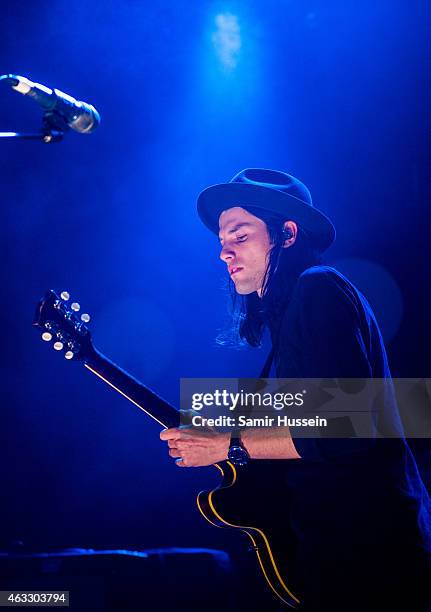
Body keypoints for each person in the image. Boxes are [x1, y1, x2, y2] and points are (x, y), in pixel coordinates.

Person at [160, 168, 431, 611]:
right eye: (221, 241)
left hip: (370, 557)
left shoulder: (317, 286)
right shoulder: (294, 310)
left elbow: (346, 427)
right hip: (344, 551)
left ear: (287, 234)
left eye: (240, 236)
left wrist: (227, 444)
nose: (224, 253)